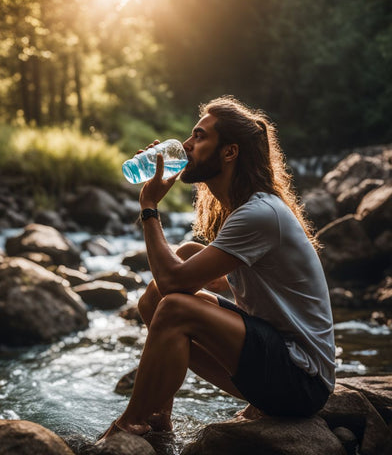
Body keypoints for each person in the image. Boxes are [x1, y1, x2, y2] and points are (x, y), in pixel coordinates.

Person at [99, 95, 336, 440]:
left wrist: (149, 206)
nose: (185, 145)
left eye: (199, 137)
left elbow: (173, 281)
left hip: (301, 381)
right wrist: (196, 264)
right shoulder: (245, 208)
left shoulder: (258, 213)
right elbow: (235, 284)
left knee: (175, 305)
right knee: (154, 297)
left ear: (229, 152)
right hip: (277, 361)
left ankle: (129, 424)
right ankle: (156, 417)